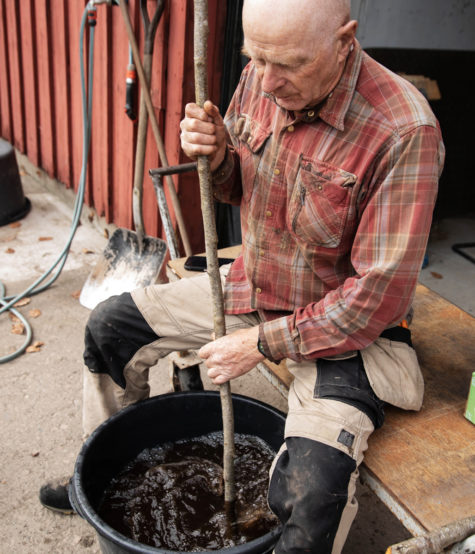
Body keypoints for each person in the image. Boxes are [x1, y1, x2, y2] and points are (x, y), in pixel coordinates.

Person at [40, 0, 444, 552]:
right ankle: (100, 458)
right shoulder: (261, 78)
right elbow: (236, 188)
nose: (268, 81)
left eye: (289, 65)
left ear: (345, 40)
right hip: (253, 289)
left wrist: (258, 344)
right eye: (256, 58)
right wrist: (217, 155)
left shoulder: (403, 129)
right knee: (111, 326)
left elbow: (374, 299)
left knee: (312, 504)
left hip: (347, 338)